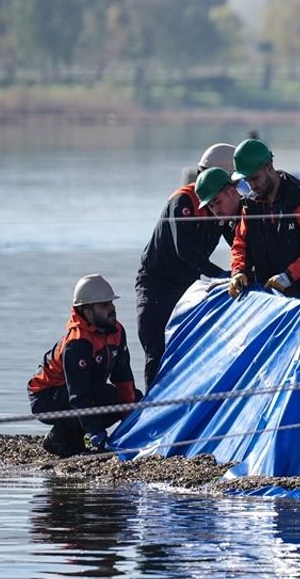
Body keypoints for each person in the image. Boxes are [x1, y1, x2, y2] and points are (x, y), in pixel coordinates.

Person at [134, 165, 238, 390]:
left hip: (187, 286)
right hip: (157, 285)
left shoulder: (222, 207)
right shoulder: (184, 202)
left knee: (189, 350)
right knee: (157, 352)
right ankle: (153, 411)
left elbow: (237, 244)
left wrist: (242, 271)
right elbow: (186, 252)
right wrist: (223, 276)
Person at [28, 274, 141, 458]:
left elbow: (123, 375)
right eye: (104, 305)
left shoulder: (117, 331)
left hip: (82, 390)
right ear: (88, 312)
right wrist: (95, 432)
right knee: (98, 397)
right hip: (46, 396)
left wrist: (130, 415)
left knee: (133, 398)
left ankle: (75, 437)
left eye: (111, 303)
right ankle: (59, 438)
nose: (112, 309)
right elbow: (79, 396)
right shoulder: (77, 343)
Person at [227, 138, 300, 302]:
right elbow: (240, 244)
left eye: (255, 178)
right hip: (278, 302)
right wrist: (238, 272)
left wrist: (289, 276)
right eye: (246, 180)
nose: (251, 186)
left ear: (269, 167)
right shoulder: (250, 206)